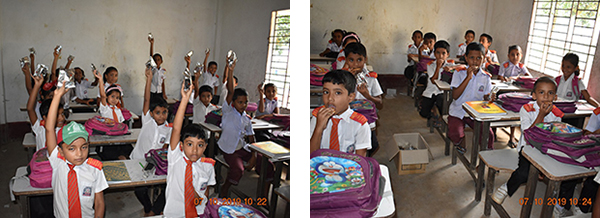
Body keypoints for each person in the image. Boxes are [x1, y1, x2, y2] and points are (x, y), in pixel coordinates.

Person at [491, 77, 567, 211]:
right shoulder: (526, 109)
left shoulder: (556, 113)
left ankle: (559, 205)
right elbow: (528, 134)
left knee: (563, 173)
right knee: (523, 173)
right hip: (528, 148)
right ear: (533, 95)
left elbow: (555, 134)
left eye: (550, 93)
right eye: (541, 92)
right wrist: (541, 115)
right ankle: (506, 187)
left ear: (555, 97)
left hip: (546, 149)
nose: (546, 97)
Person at [45, 85, 108, 218]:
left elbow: (99, 203)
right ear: (61, 151)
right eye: (71, 149)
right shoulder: (58, 162)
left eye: (84, 147)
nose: (79, 154)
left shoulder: (95, 169)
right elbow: (49, 129)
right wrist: (57, 96)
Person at [217, 58, 274, 198]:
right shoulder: (228, 112)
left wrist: (254, 155)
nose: (243, 105)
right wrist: (231, 70)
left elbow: (251, 137)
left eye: (246, 102)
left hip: (243, 148)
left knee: (268, 165)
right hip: (230, 149)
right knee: (238, 169)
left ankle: (264, 196)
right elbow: (230, 91)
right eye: (240, 102)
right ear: (233, 102)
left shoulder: (246, 119)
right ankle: (225, 188)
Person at [163, 80, 216, 218]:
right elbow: (176, 128)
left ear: (205, 146)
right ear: (181, 145)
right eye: (189, 144)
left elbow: (205, 191)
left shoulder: (208, 166)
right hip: (174, 214)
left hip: (198, 213)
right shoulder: (176, 159)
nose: (194, 150)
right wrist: (185, 99)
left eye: (199, 145)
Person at [128, 67, 172, 216]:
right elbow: (147, 99)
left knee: (170, 187)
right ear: (151, 113)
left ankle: (153, 211)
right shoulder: (147, 121)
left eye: (164, 112)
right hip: (138, 160)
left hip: (156, 163)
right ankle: (148, 208)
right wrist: (149, 78)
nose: (161, 116)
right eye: (158, 113)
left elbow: (165, 149)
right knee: (140, 189)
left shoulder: (168, 129)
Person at [310, 70, 371, 156]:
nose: (330, 98)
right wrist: (319, 127)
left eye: (337, 93)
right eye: (326, 92)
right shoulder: (317, 117)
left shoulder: (360, 124)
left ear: (350, 97)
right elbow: (311, 155)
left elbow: (360, 161)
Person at [447, 42, 495, 152]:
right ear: (466, 58)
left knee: (489, 135)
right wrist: (468, 77)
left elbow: (486, 98)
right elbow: (455, 96)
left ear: (484, 59)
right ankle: (461, 141)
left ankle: (485, 158)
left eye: (479, 58)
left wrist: (490, 99)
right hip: (458, 110)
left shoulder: (486, 77)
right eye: (472, 57)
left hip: (476, 113)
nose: (475, 61)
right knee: (455, 132)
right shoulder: (459, 73)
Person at [342, 42, 382, 156]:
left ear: (365, 60)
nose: (355, 64)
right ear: (346, 60)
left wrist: (367, 95)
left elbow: (380, 102)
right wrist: (346, 82)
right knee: (350, 147)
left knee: (371, 146)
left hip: (367, 121)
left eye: (359, 60)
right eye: (351, 60)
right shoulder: (341, 80)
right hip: (348, 120)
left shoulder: (371, 78)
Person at [93, 69, 133, 160]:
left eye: (117, 98)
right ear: (107, 97)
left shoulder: (118, 110)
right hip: (107, 138)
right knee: (113, 154)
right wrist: (100, 79)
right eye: (112, 97)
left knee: (129, 150)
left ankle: (122, 159)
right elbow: (102, 95)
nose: (115, 99)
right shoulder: (105, 108)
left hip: (117, 137)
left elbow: (121, 124)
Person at [420, 40, 460, 126]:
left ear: (448, 54)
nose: (440, 56)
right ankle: (433, 112)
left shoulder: (450, 65)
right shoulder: (430, 65)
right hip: (430, 92)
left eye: (443, 53)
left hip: (442, 92)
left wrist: (452, 68)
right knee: (423, 113)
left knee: (444, 106)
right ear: (434, 53)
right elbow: (433, 81)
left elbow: (464, 67)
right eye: (438, 53)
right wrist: (438, 67)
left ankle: (441, 117)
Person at [149, 35, 168, 100]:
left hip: (160, 92)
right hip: (152, 91)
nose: (157, 61)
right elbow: (151, 57)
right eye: (155, 60)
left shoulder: (163, 71)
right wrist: (152, 44)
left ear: (161, 61)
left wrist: (164, 93)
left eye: (158, 59)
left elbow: (163, 83)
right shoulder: (153, 69)